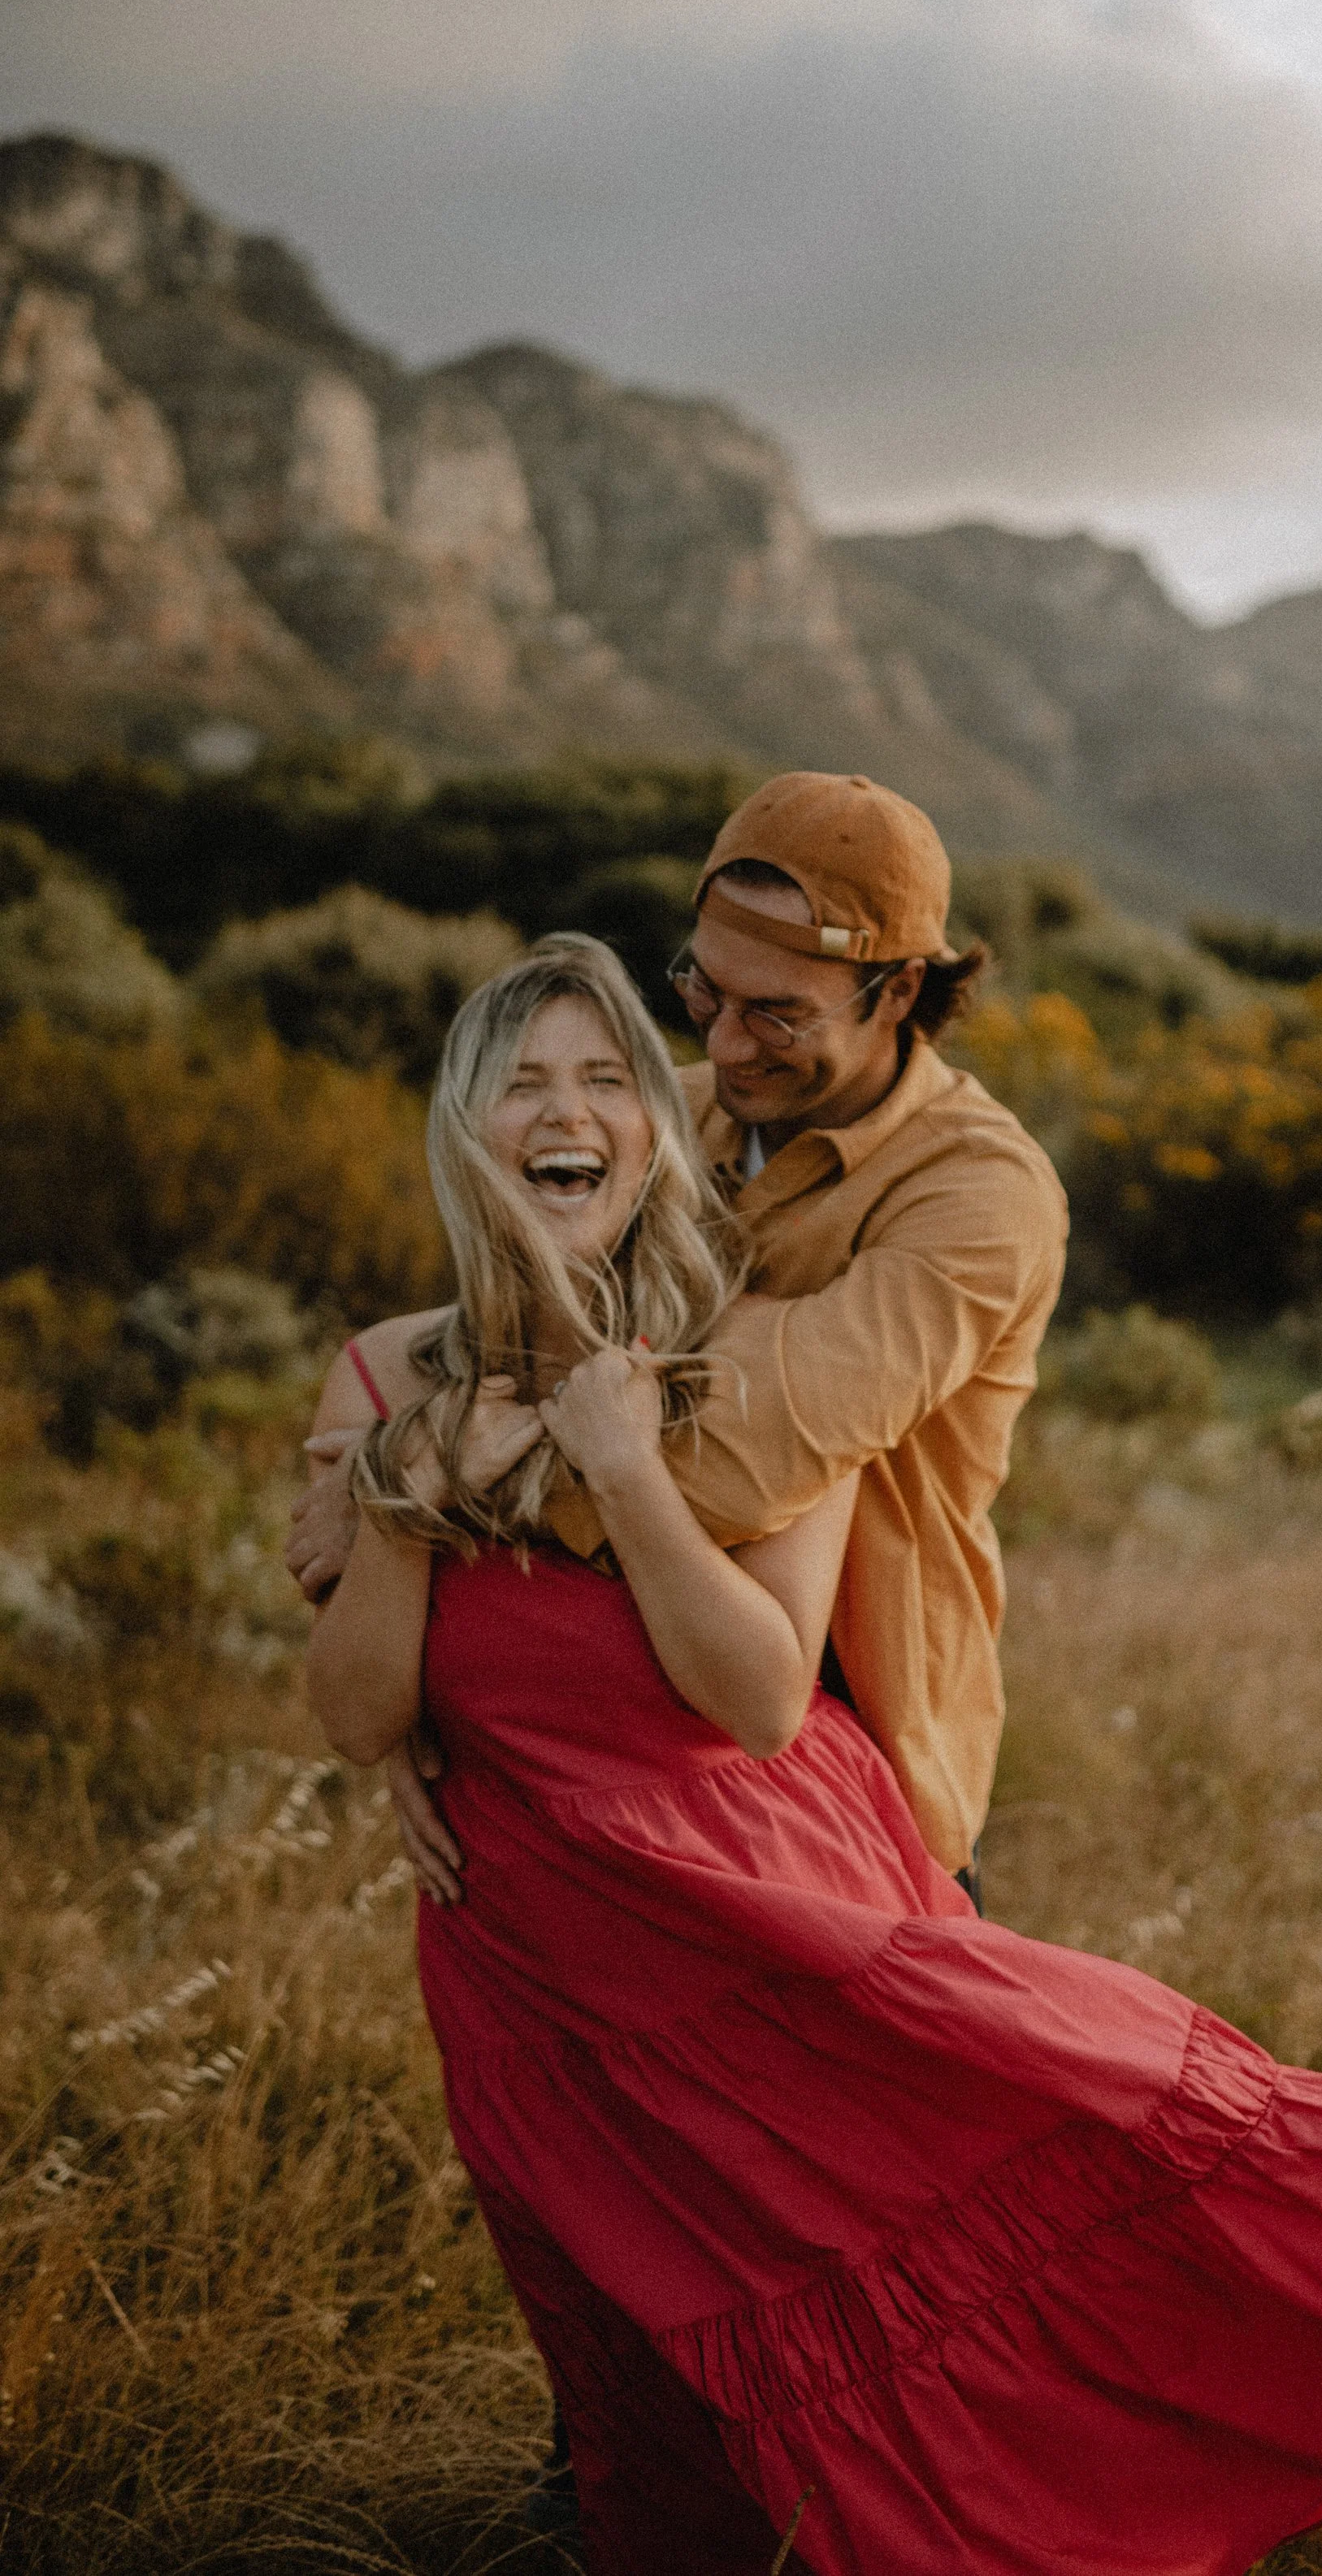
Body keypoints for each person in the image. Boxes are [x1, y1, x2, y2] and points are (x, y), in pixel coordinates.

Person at [305, 931, 1322, 2576]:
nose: (569, 1112)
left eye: (608, 1078)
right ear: (463, 1128)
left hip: (768, 1907)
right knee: (640, 2381)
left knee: (958, 2256)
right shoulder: (376, 1374)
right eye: (524, 1084)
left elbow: (759, 1697)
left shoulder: (754, 1349)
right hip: (533, 1970)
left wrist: (623, 1469)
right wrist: (408, 1481)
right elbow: (354, 1716)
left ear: (657, 1125)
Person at [290, 770, 1070, 1907]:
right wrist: (395, 1480)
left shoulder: (979, 1196)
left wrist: (399, 1492)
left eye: (780, 1013)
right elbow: (517, 1321)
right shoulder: (666, 1110)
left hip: (857, 1769)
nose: (729, 1042)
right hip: (607, 1759)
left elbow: (743, 1453)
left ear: (899, 990)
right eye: (706, 990)